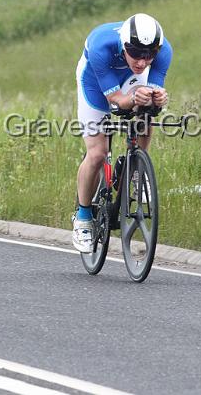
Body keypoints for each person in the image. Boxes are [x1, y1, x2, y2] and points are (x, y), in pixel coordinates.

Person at [73, 13, 173, 253]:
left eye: (149, 56)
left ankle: (137, 169)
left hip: (129, 80)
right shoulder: (101, 45)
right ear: (124, 45)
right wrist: (131, 99)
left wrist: (157, 99)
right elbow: (116, 100)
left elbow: (153, 95)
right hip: (95, 85)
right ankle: (83, 217)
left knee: (147, 107)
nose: (142, 62)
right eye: (136, 53)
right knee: (98, 153)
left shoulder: (164, 51)